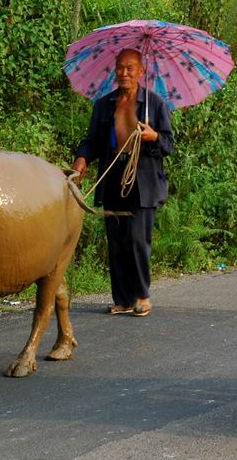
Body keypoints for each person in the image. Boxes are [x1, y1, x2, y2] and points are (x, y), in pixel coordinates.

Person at [72, 48, 175, 317]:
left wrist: (153, 137)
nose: (124, 73)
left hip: (144, 183)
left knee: (137, 239)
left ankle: (142, 295)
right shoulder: (104, 105)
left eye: (130, 68)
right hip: (113, 179)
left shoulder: (155, 104)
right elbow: (91, 141)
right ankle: (123, 299)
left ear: (142, 72)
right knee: (116, 241)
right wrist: (82, 159)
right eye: (120, 68)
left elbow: (169, 144)